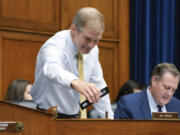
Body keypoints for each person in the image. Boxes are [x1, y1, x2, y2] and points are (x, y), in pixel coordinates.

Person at [30, 7, 113, 119]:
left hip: (75, 120)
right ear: (74, 29)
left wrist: (110, 121)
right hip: (48, 119)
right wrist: (75, 82)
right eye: (87, 39)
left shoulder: (93, 50)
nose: (91, 45)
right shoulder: (55, 44)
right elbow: (51, 68)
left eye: (96, 40)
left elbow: (99, 86)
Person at [114, 63, 180, 119]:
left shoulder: (177, 106)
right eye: (166, 87)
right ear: (154, 80)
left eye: (173, 90)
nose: (169, 93)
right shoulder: (128, 104)